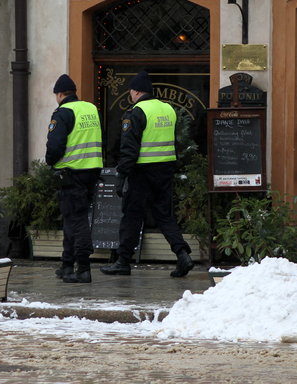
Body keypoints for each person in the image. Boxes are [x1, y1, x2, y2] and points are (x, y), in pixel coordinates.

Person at [100, 71, 194, 278]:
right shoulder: (168, 109)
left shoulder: (136, 111)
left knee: (132, 216)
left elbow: (129, 148)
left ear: (135, 91)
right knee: (164, 215)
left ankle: (123, 261)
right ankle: (182, 254)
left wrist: (121, 175)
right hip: (164, 169)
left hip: (141, 172)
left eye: (131, 92)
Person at [45, 74, 104, 283]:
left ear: (60, 94)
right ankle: (67, 264)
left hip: (71, 172)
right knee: (72, 218)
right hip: (92, 171)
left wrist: (50, 162)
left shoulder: (63, 112)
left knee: (77, 220)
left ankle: (83, 267)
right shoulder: (90, 109)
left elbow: (55, 145)